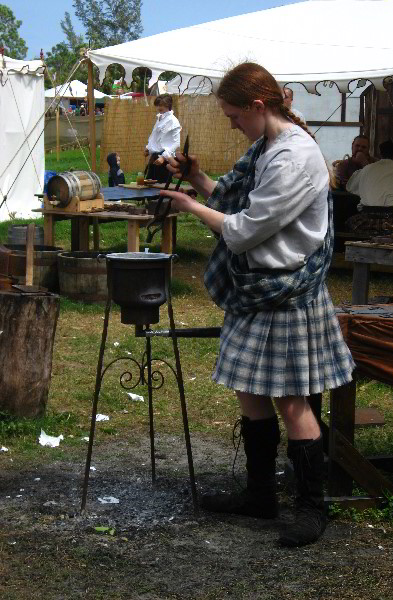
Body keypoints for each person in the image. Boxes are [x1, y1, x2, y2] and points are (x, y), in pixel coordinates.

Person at [160, 62, 355, 548]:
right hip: (259, 290)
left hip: (286, 289)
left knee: (291, 400)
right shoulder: (267, 146)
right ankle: (260, 494)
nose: (231, 123)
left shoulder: (294, 156)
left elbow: (245, 230)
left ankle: (313, 508)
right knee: (250, 391)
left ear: (259, 106)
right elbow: (238, 202)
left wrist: (190, 207)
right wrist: (201, 179)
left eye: (233, 115)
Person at [345, 140, 393, 234]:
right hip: (391, 221)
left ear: (380, 153)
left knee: (348, 222)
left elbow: (350, 187)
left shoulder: (367, 168)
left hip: (366, 221)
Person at [144, 94, 181, 184]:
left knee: (162, 186)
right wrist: (148, 148)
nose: (159, 107)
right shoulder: (160, 118)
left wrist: (164, 157)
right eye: (158, 105)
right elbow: (154, 136)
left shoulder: (173, 120)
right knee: (150, 185)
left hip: (164, 158)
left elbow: (176, 142)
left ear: (168, 105)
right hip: (155, 156)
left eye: (161, 105)